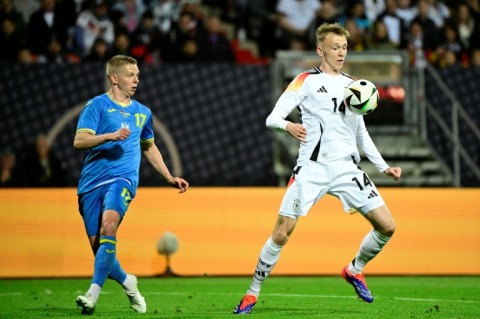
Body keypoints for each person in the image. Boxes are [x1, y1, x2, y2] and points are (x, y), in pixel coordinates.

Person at [233, 22, 402, 315]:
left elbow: (361, 133)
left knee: (387, 226)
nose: (341, 53)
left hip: (347, 169)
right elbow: (272, 118)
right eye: (335, 47)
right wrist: (289, 126)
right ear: (320, 50)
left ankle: (354, 269)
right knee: (282, 232)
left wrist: (383, 166)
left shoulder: (354, 85)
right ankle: (252, 293)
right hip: (311, 169)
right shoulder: (305, 81)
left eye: (345, 47)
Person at [74, 55, 189, 315]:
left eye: (137, 75)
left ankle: (92, 294)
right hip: (91, 184)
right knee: (100, 248)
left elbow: (148, 146)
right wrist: (110, 136)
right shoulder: (96, 106)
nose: (136, 80)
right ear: (114, 78)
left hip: (123, 180)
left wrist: (169, 176)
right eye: (130, 75)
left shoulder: (142, 112)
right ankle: (128, 282)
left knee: (109, 226)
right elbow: (79, 141)